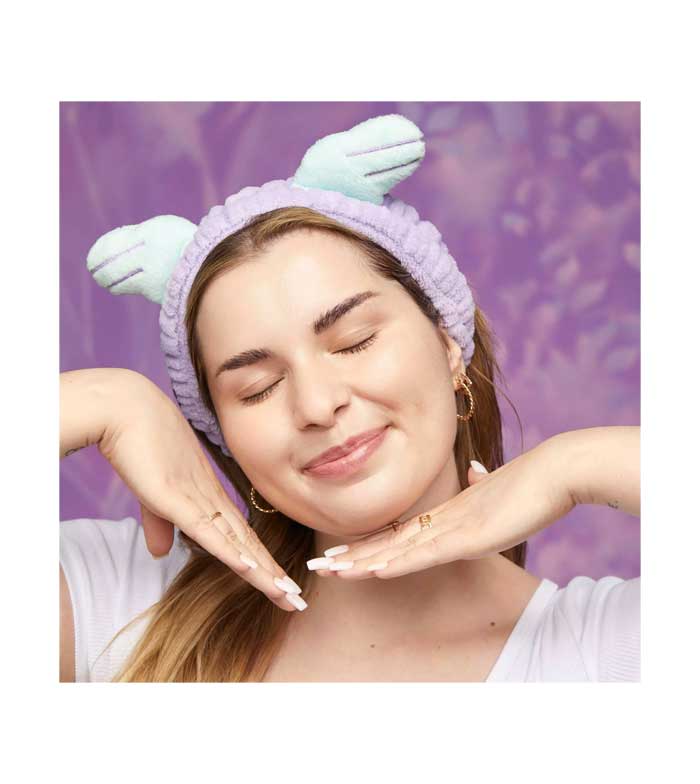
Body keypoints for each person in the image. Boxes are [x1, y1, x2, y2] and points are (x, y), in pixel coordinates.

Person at [59, 113, 640, 682]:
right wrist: (107, 400)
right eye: (258, 388)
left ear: (447, 345)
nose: (316, 406)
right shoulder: (122, 604)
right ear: (224, 433)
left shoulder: (603, 648)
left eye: (354, 342)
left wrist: (574, 465)